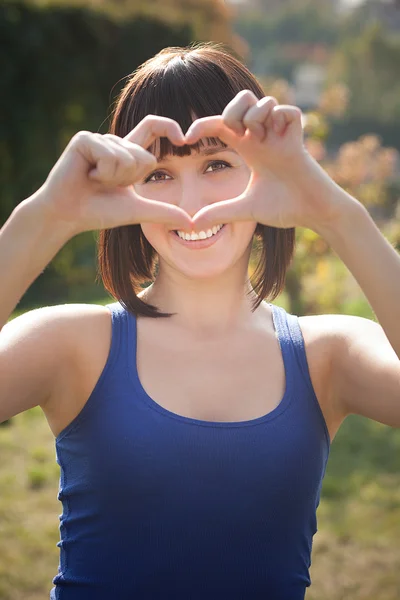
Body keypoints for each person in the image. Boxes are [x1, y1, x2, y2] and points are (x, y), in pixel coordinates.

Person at [0, 42, 399, 600]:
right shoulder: (71, 345)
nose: (191, 203)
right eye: (160, 173)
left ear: (259, 174)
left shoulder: (326, 354)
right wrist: (44, 217)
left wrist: (338, 214)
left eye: (216, 165)